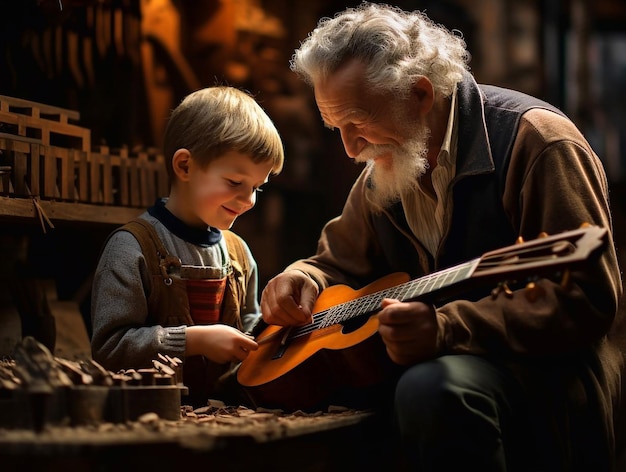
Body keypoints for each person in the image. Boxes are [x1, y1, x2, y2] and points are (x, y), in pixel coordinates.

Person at [259, 3, 623, 471]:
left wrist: (447, 328)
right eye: (336, 128)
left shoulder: (539, 143)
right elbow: (335, 263)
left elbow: (586, 297)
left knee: (432, 387)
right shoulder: (385, 168)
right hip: (433, 371)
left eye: (357, 121)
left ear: (420, 94)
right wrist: (300, 277)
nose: (350, 149)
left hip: (543, 374)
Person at [91, 86, 284, 407]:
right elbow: (109, 349)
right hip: (151, 416)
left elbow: (253, 332)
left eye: (256, 188)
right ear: (184, 166)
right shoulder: (131, 247)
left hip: (224, 417)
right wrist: (193, 341)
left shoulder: (238, 254)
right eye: (235, 183)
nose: (249, 200)